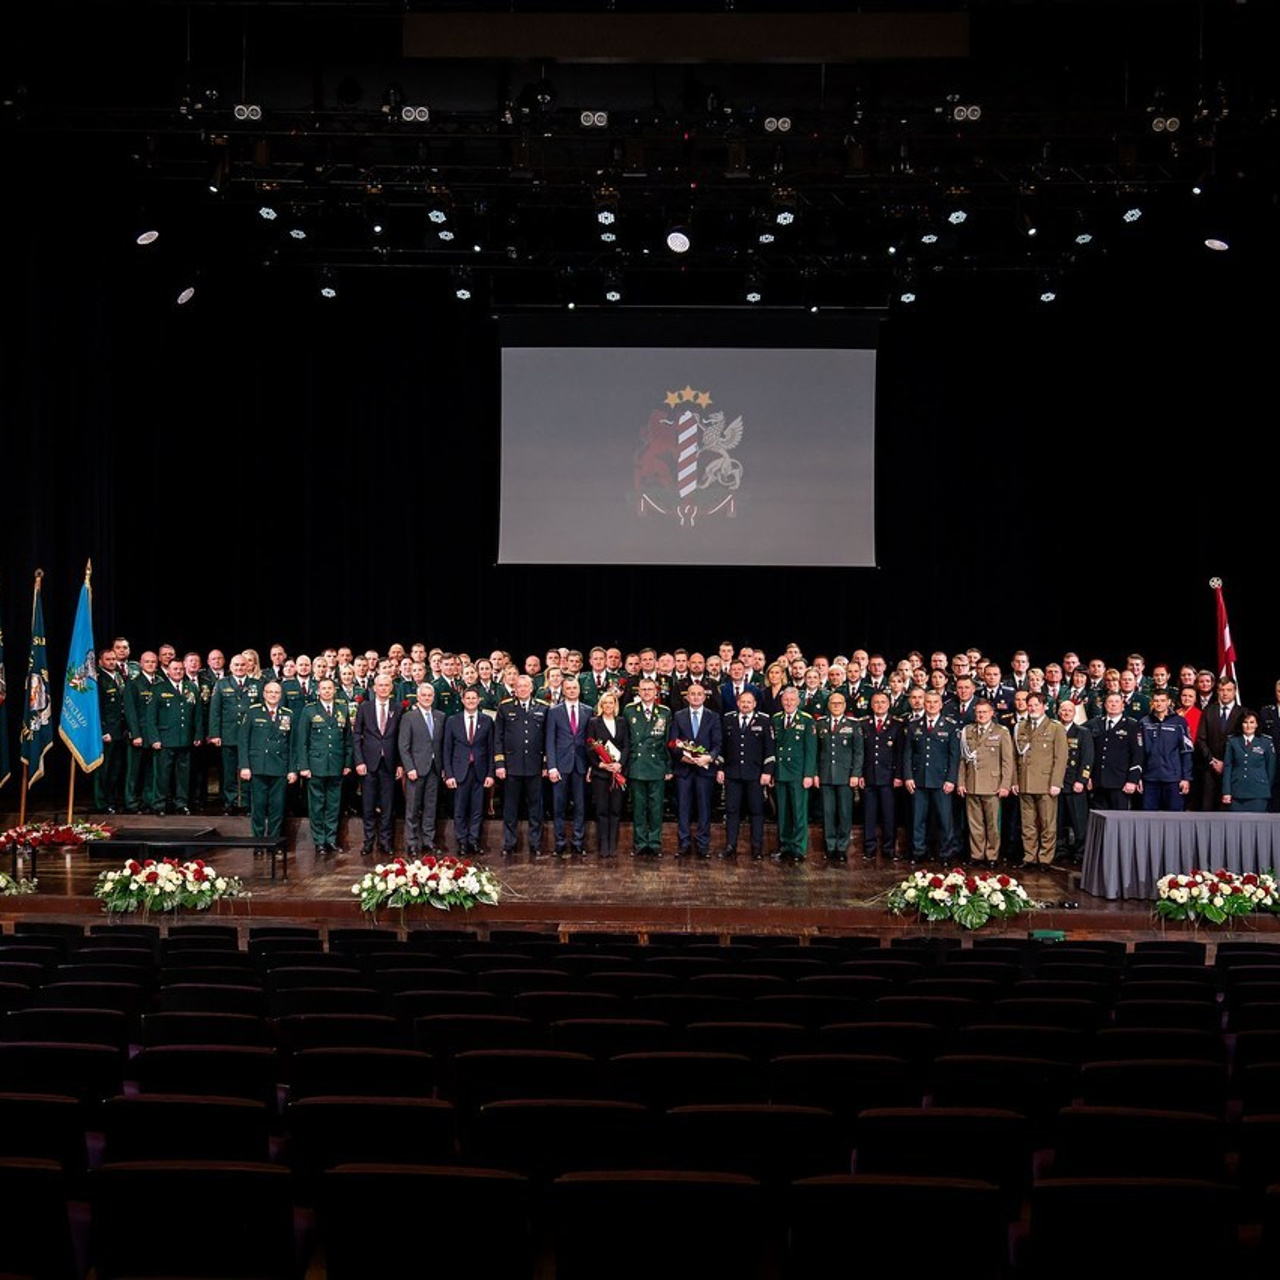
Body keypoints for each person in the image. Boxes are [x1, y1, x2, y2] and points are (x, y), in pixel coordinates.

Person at [294, 677, 353, 854]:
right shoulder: (309, 710)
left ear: (334, 690)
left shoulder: (342, 708)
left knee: (334, 805)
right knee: (317, 805)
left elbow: (348, 740)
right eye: (324, 688)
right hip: (316, 765)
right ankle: (319, 841)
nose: (327, 691)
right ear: (318, 691)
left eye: (330, 688)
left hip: (336, 764)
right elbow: (302, 741)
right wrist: (304, 766)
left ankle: (331, 839)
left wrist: (347, 763)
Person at [238, 680, 297, 854]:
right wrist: (244, 766)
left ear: (281, 695)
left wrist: (292, 769)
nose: (273, 695)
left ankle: (273, 842)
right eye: (270, 692)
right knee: (259, 806)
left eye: (276, 692)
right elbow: (243, 741)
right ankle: (258, 843)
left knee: (277, 807)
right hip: (258, 766)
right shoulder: (253, 711)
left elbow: (292, 745)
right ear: (264, 694)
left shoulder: (288, 714)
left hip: (280, 766)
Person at [494, 675, 549, 856]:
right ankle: (509, 844)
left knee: (536, 808)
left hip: (535, 766)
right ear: (514, 689)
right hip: (511, 766)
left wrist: (546, 764)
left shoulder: (543, 707)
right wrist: (500, 763)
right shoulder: (505, 707)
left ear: (532, 688)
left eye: (526, 686)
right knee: (510, 808)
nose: (523, 689)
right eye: (519, 686)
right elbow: (498, 738)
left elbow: (547, 739)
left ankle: (535, 844)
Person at [902, 690, 960, 863]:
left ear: (941, 705)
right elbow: (908, 754)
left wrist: (951, 779)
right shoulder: (914, 725)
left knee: (944, 819)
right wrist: (908, 776)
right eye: (928, 702)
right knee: (917, 819)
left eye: (935, 702)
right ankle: (918, 852)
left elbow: (954, 756)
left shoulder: (950, 726)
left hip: (941, 781)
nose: (931, 705)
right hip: (918, 780)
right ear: (923, 703)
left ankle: (946, 853)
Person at [717, 689, 774, 859]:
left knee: (756, 811)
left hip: (755, 775)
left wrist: (767, 772)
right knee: (732, 811)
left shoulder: (764, 720)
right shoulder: (728, 719)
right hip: (732, 774)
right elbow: (722, 747)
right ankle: (730, 846)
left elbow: (769, 749)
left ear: (755, 704)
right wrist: (720, 768)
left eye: (749, 702)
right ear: (738, 703)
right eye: (743, 702)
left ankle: (757, 849)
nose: (746, 705)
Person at [1013, 691, 1068, 866]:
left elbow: (1061, 758)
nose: (1032, 708)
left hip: (1046, 783)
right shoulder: (1021, 727)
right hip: (1025, 781)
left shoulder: (1055, 728)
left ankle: (1045, 858)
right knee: (1027, 824)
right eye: (1029, 705)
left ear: (1044, 706)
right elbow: (1015, 757)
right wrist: (1014, 781)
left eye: (1036, 705)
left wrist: (1056, 782)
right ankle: (1029, 857)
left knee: (1047, 824)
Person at [957, 699, 1013, 863]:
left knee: (993, 824)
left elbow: (1007, 761)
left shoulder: (1001, 732)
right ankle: (977, 855)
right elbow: (963, 759)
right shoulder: (968, 731)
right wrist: (961, 782)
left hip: (992, 785)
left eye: (984, 712)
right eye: (978, 712)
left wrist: (1005, 785)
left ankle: (992, 855)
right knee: (974, 824)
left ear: (992, 713)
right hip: (972, 783)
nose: (981, 715)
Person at [670, 682, 723, 857]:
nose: (695, 697)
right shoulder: (678, 716)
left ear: (705, 697)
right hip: (684, 770)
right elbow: (673, 742)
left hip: (705, 770)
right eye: (692, 694)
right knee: (683, 808)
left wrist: (709, 757)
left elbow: (718, 744)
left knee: (704, 808)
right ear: (687, 697)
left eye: (699, 694)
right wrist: (683, 757)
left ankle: (703, 845)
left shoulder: (713, 717)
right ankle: (684, 844)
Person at [353, 673, 403, 855]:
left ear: (391, 688)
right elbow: (357, 735)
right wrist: (359, 761)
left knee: (388, 806)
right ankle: (368, 841)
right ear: (374, 688)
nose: (383, 688)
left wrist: (400, 764)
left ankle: (386, 842)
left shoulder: (398, 708)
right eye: (380, 685)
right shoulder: (364, 707)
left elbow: (401, 739)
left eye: (387, 685)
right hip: (368, 764)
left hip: (389, 764)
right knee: (368, 805)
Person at [144, 657, 202, 815]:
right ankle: (159, 804)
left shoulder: (191, 687)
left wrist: (198, 735)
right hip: (165, 740)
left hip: (185, 739)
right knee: (162, 775)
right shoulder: (158, 688)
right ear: (168, 671)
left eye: (181, 669)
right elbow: (151, 717)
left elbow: (197, 715)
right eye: (175, 669)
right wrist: (154, 738)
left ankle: (181, 803)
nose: (178, 671)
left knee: (183, 775)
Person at [442, 688, 495, 855]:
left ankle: (474, 841)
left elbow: (491, 749)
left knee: (477, 810)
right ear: (463, 700)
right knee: (460, 809)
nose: (471, 701)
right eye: (468, 698)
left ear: (479, 700)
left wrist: (490, 774)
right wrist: (449, 774)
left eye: (474, 698)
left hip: (480, 771)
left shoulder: (487, 721)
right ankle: (462, 842)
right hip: (459, 772)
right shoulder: (453, 721)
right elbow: (447, 749)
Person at [207, 654, 260, 815]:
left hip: (250, 736)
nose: (239, 668)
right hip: (228, 734)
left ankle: (246, 803)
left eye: (242, 665)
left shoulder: (256, 684)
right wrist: (215, 734)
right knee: (229, 772)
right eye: (236, 665)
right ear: (230, 667)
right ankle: (230, 802)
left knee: (247, 770)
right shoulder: (222, 684)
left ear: (248, 666)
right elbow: (215, 711)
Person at [814, 691, 863, 860]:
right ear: (828, 705)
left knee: (844, 812)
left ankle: (842, 847)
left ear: (844, 706)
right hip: (826, 775)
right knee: (828, 812)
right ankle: (830, 846)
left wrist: (855, 774)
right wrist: (815, 774)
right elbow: (816, 752)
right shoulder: (820, 724)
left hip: (845, 775)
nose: (836, 706)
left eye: (839, 703)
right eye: (833, 703)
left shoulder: (853, 724)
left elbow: (858, 752)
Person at [398, 682, 446, 855]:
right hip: (415, 770)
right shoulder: (409, 717)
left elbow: (442, 745)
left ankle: (428, 840)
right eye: (423, 695)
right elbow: (403, 746)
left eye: (429, 695)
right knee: (412, 807)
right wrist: (409, 767)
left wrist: (443, 768)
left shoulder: (440, 716)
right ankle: (411, 842)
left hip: (434, 768)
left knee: (431, 806)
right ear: (417, 697)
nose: (427, 698)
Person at [546, 678, 592, 855]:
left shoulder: (588, 711)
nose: (572, 690)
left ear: (579, 690)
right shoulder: (554, 711)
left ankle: (578, 841)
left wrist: (591, 766)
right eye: (568, 688)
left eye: (575, 688)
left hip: (581, 766)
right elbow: (550, 740)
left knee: (580, 806)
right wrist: (552, 766)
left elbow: (591, 741)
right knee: (559, 806)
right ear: (563, 690)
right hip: (560, 766)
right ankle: (559, 842)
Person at [771, 686, 816, 860]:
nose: (788, 703)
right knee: (783, 812)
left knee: (799, 812)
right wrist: (772, 772)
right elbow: (774, 747)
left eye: (792, 700)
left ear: (798, 701)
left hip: (798, 773)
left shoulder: (806, 720)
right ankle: (785, 846)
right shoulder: (776, 719)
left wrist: (808, 774)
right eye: (785, 700)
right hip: (781, 771)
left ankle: (798, 848)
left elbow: (811, 750)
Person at [587, 691, 630, 858]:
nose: (608, 706)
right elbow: (589, 747)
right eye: (605, 703)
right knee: (602, 810)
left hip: (618, 773)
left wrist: (620, 764)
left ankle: (613, 845)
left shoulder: (622, 722)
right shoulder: (594, 722)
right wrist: (602, 765)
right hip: (601, 774)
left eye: (611, 703)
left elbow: (626, 745)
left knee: (616, 810)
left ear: (615, 705)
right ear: (601, 705)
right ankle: (603, 845)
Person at [862, 690, 904, 859]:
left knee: (889, 815)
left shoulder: (897, 725)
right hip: (869, 776)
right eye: (876, 702)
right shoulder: (864, 723)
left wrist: (898, 776)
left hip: (889, 777)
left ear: (889, 704)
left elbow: (900, 753)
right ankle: (869, 848)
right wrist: (860, 774)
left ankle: (888, 848)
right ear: (871, 705)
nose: (879, 705)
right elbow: (861, 752)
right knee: (869, 815)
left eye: (883, 702)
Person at [1137, 690, 1194, 811]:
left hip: (1173, 779)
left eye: (1162, 701)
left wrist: (1186, 778)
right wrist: (1138, 777)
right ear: (1152, 702)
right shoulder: (1144, 722)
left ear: (1169, 702)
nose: (1159, 704)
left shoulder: (1179, 722)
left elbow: (1186, 751)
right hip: (1150, 778)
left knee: (1174, 817)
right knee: (1148, 818)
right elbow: (1139, 752)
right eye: (1156, 701)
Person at [1195, 678, 1244, 810]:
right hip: (1210, 769)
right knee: (1208, 808)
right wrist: (1212, 761)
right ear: (1217, 691)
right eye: (1222, 690)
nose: (1225, 693)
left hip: (1234, 770)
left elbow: (1243, 742)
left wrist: (1226, 764)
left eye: (1229, 690)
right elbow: (1201, 739)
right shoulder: (1208, 710)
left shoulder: (1243, 713)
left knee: (1228, 810)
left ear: (1235, 691)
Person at [1057, 696, 1095, 863]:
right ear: (1058, 712)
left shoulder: (1083, 732)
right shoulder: (1054, 730)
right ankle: (1061, 850)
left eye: (1070, 711)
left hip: (1075, 783)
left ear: (1074, 713)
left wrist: (1082, 780)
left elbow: (1087, 759)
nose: (1066, 713)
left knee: (1079, 821)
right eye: (1063, 710)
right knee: (1058, 821)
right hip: (1057, 783)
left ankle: (1080, 853)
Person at [1090, 692, 1143, 810]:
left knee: (1119, 818)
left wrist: (1133, 780)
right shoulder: (1095, 723)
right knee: (1098, 817)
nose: (1113, 705)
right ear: (1105, 705)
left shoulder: (1132, 725)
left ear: (1123, 706)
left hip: (1120, 783)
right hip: (1098, 782)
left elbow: (1137, 755)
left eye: (1117, 702)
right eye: (1110, 702)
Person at [94, 646, 127, 813]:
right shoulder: (98, 679)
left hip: (120, 731)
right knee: (104, 770)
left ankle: (111, 801)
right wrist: (103, 730)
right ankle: (101, 803)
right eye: (108, 659)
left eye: (114, 659)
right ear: (100, 662)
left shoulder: (119, 676)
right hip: (107, 732)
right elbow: (97, 708)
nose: (112, 662)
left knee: (116, 769)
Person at [1223, 712, 1276, 813]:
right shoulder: (1232, 741)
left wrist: (1265, 788)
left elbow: (1271, 768)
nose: (1248, 726)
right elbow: (1228, 767)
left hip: (1259, 792)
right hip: (1237, 791)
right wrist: (1226, 791)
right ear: (1241, 724)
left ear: (1257, 724)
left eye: (1252, 722)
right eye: (1245, 722)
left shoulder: (1266, 741)